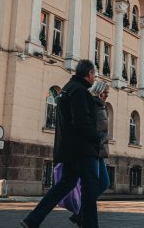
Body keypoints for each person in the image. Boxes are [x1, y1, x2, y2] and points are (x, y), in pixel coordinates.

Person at [21, 59, 100, 228]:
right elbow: (81, 121)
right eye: (94, 74)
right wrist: (96, 138)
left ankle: (33, 219)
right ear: (89, 74)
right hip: (83, 151)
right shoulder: (80, 92)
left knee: (63, 186)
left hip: (67, 150)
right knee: (89, 190)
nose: (95, 78)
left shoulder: (66, 90)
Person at [67, 81, 111, 227]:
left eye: (107, 93)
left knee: (104, 182)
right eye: (103, 92)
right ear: (97, 91)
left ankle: (80, 213)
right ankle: (82, 215)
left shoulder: (101, 105)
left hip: (99, 151)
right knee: (96, 184)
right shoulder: (92, 104)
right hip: (93, 150)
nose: (105, 95)